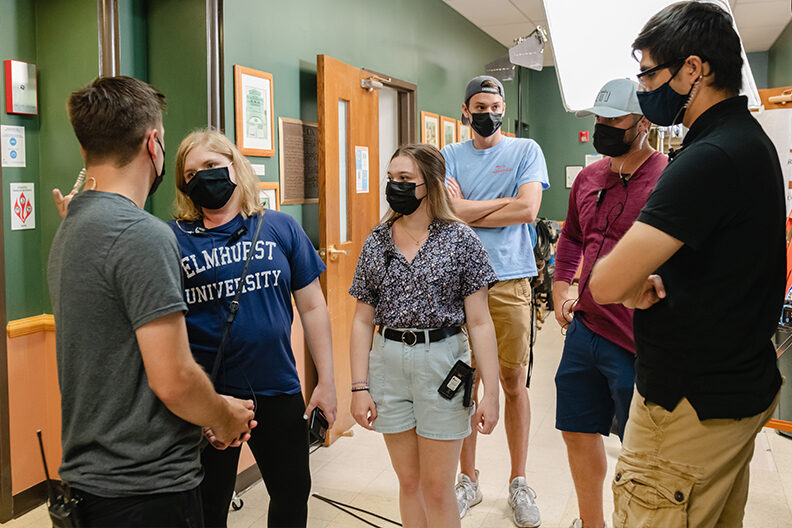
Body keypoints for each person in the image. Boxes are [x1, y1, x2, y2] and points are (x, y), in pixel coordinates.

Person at [589, 3, 784, 527]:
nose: (645, 86)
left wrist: (629, 284)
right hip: (736, 388)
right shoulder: (750, 142)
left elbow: (605, 283)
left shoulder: (708, 158)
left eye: (650, 73)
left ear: (693, 69)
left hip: (687, 404)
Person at [48, 76, 255, 527]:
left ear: (86, 149)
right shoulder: (143, 234)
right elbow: (175, 380)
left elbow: (122, 366)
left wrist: (199, 419)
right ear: (153, 143)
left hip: (92, 482)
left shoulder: (73, 225)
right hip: (145, 491)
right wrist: (223, 416)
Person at [169, 129, 337, 528]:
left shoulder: (279, 227)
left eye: (211, 166)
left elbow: (313, 306)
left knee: (292, 493)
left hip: (277, 387)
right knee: (208, 507)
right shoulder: (173, 239)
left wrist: (327, 380)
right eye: (192, 173)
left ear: (234, 166)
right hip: (209, 396)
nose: (203, 177)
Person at [349, 144, 500, 528]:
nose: (395, 187)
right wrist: (358, 386)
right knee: (409, 482)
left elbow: (480, 322)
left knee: (438, 488)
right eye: (391, 179)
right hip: (389, 361)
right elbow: (362, 320)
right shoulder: (377, 241)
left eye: (405, 180)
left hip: (444, 361)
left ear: (431, 184)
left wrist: (492, 393)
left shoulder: (461, 240)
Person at [553, 78, 666, 528]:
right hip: (585, 331)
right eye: (597, 119)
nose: (603, 128)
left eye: (613, 120)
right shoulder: (588, 178)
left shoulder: (667, 178)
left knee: (638, 444)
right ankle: (591, 521)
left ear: (643, 121)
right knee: (577, 430)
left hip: (636, 339)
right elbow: (572, 238)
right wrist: (562, 290)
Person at [442, 75, 548, 527]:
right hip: (459, 284)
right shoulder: (448, 156)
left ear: (503, 108)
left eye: (495, 105)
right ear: (465, 111)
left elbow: (528, 211)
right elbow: (447, 214)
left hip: (510, 282)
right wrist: (483, 209)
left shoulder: (526, 151)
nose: (488, 113)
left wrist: (470, 209)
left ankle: (519, 480)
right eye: (479, 106)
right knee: (463, 383)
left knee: (511, 382)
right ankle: (468, 479)